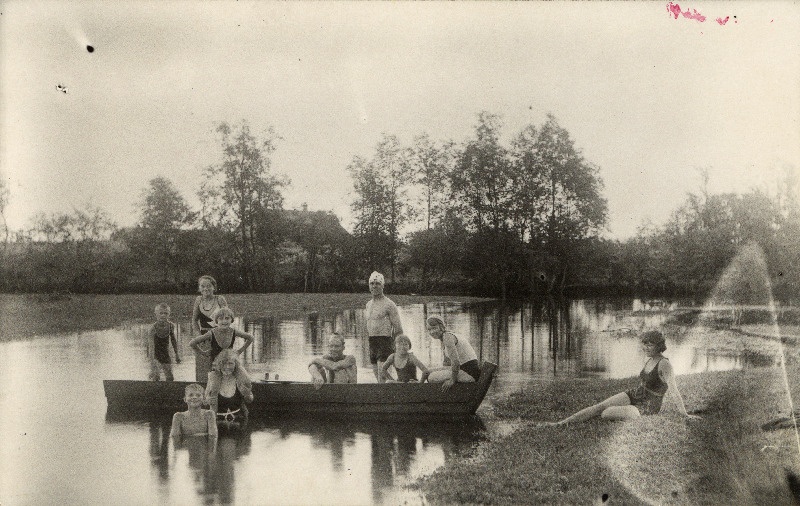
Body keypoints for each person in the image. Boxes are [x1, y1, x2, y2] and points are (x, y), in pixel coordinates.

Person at [539, 330, 700, 426]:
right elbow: (645, 383)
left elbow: (674, 391)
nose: (645, 348)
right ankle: (560, 424)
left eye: (649, 345)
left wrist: (684, 415)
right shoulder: (650, 359)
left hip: (648, 406)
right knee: (599, 407)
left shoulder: (665, 364)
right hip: (635, 394)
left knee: (606, 413)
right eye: (644, 344)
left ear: (659, 346)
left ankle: (626, 414)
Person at [365, 271, 403, 381]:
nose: (374, 286)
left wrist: (398, 348)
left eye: (377, 283)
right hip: (372, 342)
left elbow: (399, 329)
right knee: (378, 379)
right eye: (372, 283)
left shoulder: (389, 304)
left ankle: (395, 390)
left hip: (385, 342)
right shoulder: (368, 304)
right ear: (369, 286)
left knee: (383, 376)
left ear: (382, 286)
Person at [425, 316, 480, 391]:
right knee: (427, 371)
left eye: (434, 328)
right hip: (462, 369)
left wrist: (452, 380)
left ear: (441, 326)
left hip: (469, 373)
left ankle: (443, 396)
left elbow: (456, 362)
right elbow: (448, 363)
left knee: (431, 377)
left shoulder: (447, 337)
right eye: (429, 329)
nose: (432, 332)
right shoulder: (447, 336)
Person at [189, 307, 254, 368]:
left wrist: (239, 351)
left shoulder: (234, 332)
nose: (224, 321)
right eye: (221, 318)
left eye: (227, 318)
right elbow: (192, 343)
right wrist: (203, 353)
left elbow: (250, 338)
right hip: (215, 366)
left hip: (230, 365)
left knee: (244, 378)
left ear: (232, 320)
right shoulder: (211, 333)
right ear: (217, 321)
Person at [191, 275, 228, 381]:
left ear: (214, 287)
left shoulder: (220, 299)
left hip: (220, 337)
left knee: (221, 368)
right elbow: (194, 320)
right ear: (199, 288)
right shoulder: (198, 300)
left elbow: (228, 318)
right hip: (203, 339)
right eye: (202, 286)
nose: (205, 289)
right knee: (203, 371)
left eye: (209, 286)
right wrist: (198, 336)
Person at [206, 349, 254, 429]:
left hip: (238, 422)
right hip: (218, 422)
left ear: (236, 365)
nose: (227, 367)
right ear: (219, 365)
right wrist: (208, 399)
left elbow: (250, 400)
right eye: (224, 363)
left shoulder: (240, 378)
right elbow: (206, 398)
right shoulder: (213, 377)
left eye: (230, 363)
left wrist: (247, 394)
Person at [147, 303, 180, 381]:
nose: (163, 315)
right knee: (156, 377)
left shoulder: (171, 326)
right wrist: (152, 361)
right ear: (156, 314)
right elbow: (151, 346)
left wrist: (177, 354)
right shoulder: (152, 328)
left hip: (165, 354)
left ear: (169, 314)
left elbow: (173, 340)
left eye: (166, 313)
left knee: (170, 377)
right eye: (161, 313)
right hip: (155, 354)